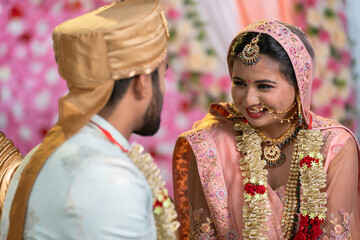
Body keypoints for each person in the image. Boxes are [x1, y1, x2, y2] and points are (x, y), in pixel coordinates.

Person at [0, 0, 179, 239]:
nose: (164, 89)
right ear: (143, 82)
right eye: (162, 74)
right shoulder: (115, 180)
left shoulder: (38, 156)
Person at [173, 20, 360, 240]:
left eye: (264, 86)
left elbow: (334, 235)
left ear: (300, 86)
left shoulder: (334, 145)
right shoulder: (211, 144)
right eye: (240, 83)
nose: (249, 99)